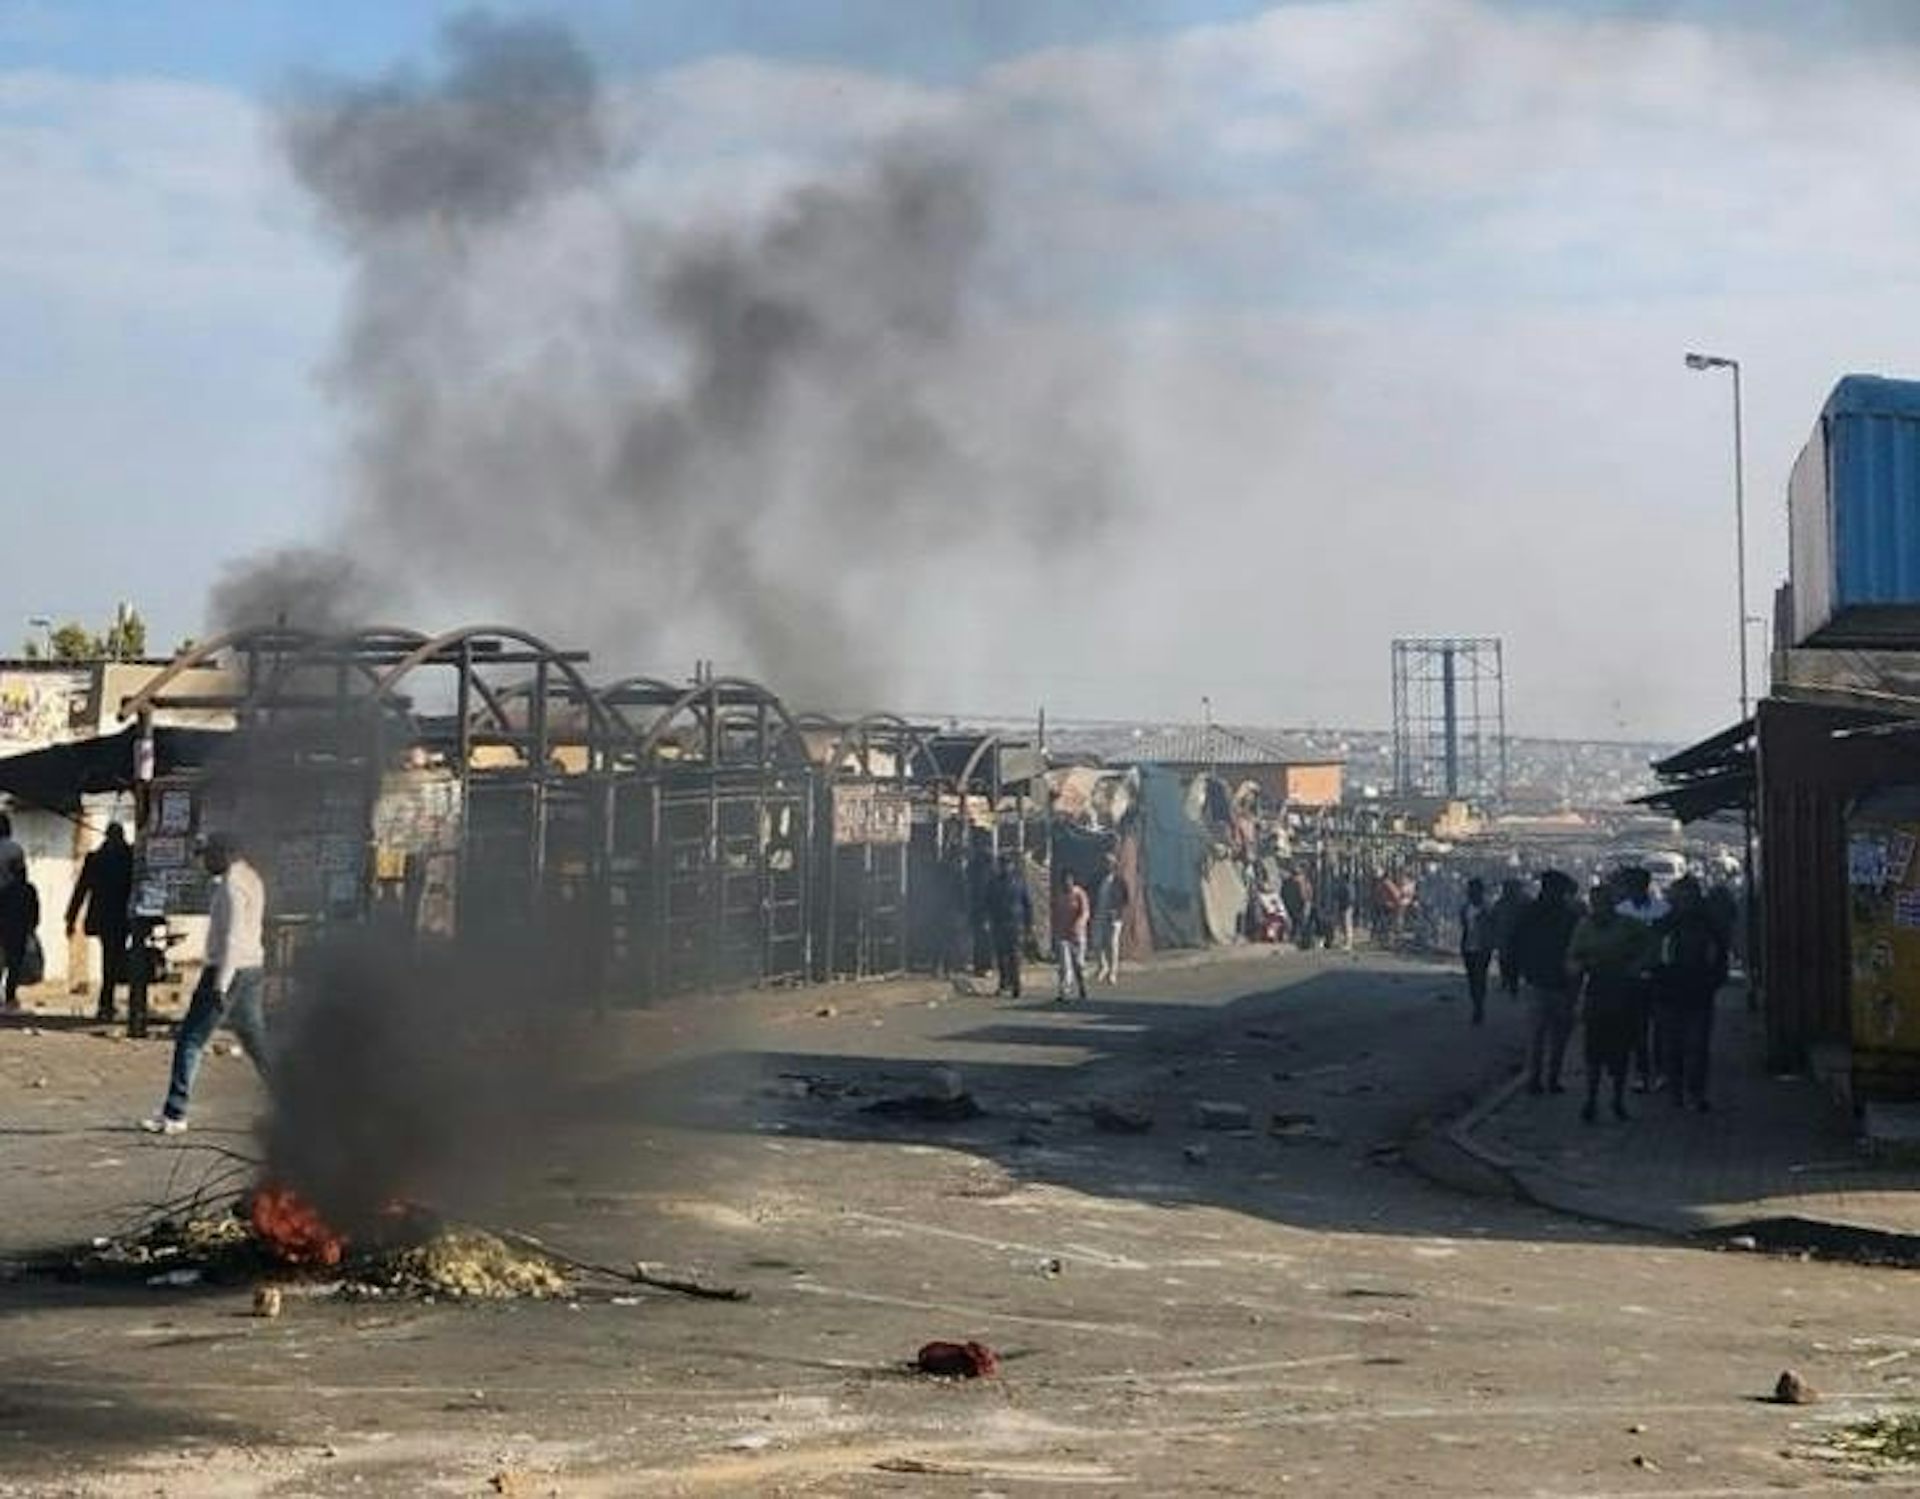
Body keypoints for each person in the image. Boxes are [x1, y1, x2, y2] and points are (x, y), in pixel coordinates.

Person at [141, 834, 268, 1134]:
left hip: (227, 969)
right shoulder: (253, 878)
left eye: (207, 855)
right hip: (252, 968)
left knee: (191, 1039)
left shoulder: (232, 885)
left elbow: (232, 938)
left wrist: (221, 984)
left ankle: (175, 1111)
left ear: (224, 853)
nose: (204, 861)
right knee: (256, 1041)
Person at [1567, 877, 1658, 1123]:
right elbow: (1572, 958)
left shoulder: (1628, 925)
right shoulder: (1584, 927)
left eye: (1604, 904)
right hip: (1596, 991)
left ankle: (1617, 1100)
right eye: (1595, 904)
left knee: (1620, 1052)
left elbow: (1651, 944)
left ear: (1612, 905)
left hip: (1622, 992)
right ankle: (1591, 1099)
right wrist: (1579, 967)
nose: (1600, 909)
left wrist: (1637, 966)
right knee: (1593, 1052)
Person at [1654, 876, 1729, 1112]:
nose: (1685, 902)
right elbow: (1654, 958)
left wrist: (1712, 983)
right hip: (1670, 996)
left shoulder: (1709, 926)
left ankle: (1695, 1093)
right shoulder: (1664, 925)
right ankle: (1677, 1094)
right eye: (1681, 897)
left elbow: (1719, 960)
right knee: (1672, 1048)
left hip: (1698, 996)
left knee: (1697, 1048)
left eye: (1689, 896)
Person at [1512, 870, 1581, 1095]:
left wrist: (1518, 972)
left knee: (1539, 1036)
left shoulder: (1530, 913)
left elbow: (1515, 945)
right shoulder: (1568, 916)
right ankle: (1548, 1079)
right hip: (1555, 983)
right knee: (1554, 1036)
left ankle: (1538, 1080)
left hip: (1545, 981)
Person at [66, 822, 134, 1022]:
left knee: (109, 958)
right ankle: (113, 1001)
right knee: (117, 957)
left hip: (103, 917)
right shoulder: (129, 857)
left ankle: (107, 1001)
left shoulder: (96, 858)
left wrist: (71, 918)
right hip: (123, 916)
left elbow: (81, 889)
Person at [1613, 867, 1667, 1089]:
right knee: (1638, 1028)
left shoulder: (1662, 910)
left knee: (1661, 1027)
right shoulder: (1621, 911)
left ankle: (1660, 1070)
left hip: (1658, 974)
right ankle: (1643, 1071)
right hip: (1631, 976)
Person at [984, 851, 1033, 1001]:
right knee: (1001, 957)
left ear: (1012, 865)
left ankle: (1016, 986)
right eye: (1002, 864)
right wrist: (987, 919)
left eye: (1008, 864)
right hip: (999, 922)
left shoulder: (1019, 882)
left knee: (1014, 957)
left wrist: (1029, 925)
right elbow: (988, 902)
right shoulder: (994, 882)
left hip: (1015, 923)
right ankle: (1003, 983)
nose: (1005, 867)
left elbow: (1027, 904)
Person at [0, 852, 41, 1012]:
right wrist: (31, 928)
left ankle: (8, 996)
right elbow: (35, 911)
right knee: (14, 966)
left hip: (5, 931)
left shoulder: (6, 890)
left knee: (4, 963)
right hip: (20, 931)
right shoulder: (29, 890)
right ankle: (10, 996)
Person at [1088, 852, 1130, 985]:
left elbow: (1125, 899)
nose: (1107, 865)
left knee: (1112, 944)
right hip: (1098, 914)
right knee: (1097, 943)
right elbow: (1089, 892)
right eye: (1105, 862)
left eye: (1110, 863)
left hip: (1114, 918)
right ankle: (1102, 966)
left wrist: (1117, 910)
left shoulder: (1119, 880)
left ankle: (1113, 973)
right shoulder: (1097, 878)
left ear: (1114, 865)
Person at [1459, 877, 1495, 1026]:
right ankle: (1477, 1003)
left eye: (1473, 890)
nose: (1470, 893)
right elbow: (1465, 926)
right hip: (1468, 947)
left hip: (1483, 948)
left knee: (1480, 977)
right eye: (1469, 890)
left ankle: (1479, 1008)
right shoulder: (1465, 908)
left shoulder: (1487, 909)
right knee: (1472, 978)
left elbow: (1493, 927)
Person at [1052, 870, 1090, 1003]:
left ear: (1073, 880)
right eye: (1064, 881)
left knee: (1078, 964)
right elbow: (1055, 914)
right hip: (1063, 935)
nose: (1067, 883)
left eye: (1069, 880)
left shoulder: (1079, 894)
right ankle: (1064, 992)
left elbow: (1085, 912)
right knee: (1065, 965)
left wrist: (1079, 924)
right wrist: (1055, 932)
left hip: (1077, 935)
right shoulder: (1060, 895)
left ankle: (1082, 986)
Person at [1490, 878, 1527, 997]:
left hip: (1518, 938)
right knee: (1504, 960)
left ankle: (1512, 985)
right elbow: (1493, 919)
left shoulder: (1524, 902)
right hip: (1505, 937)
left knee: (1514, 962)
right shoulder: (1501, 903)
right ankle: (1506, 981)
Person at [1331, 873, 1356, 952]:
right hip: (1345, 907)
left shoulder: (1348, 887)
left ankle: (1348, 943)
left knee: (1346, 925)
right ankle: (1346, 942)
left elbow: (1350, 899)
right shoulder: (1348, 887)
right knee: (1344, 926)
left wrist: (1345, 905)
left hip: (1346, 907)